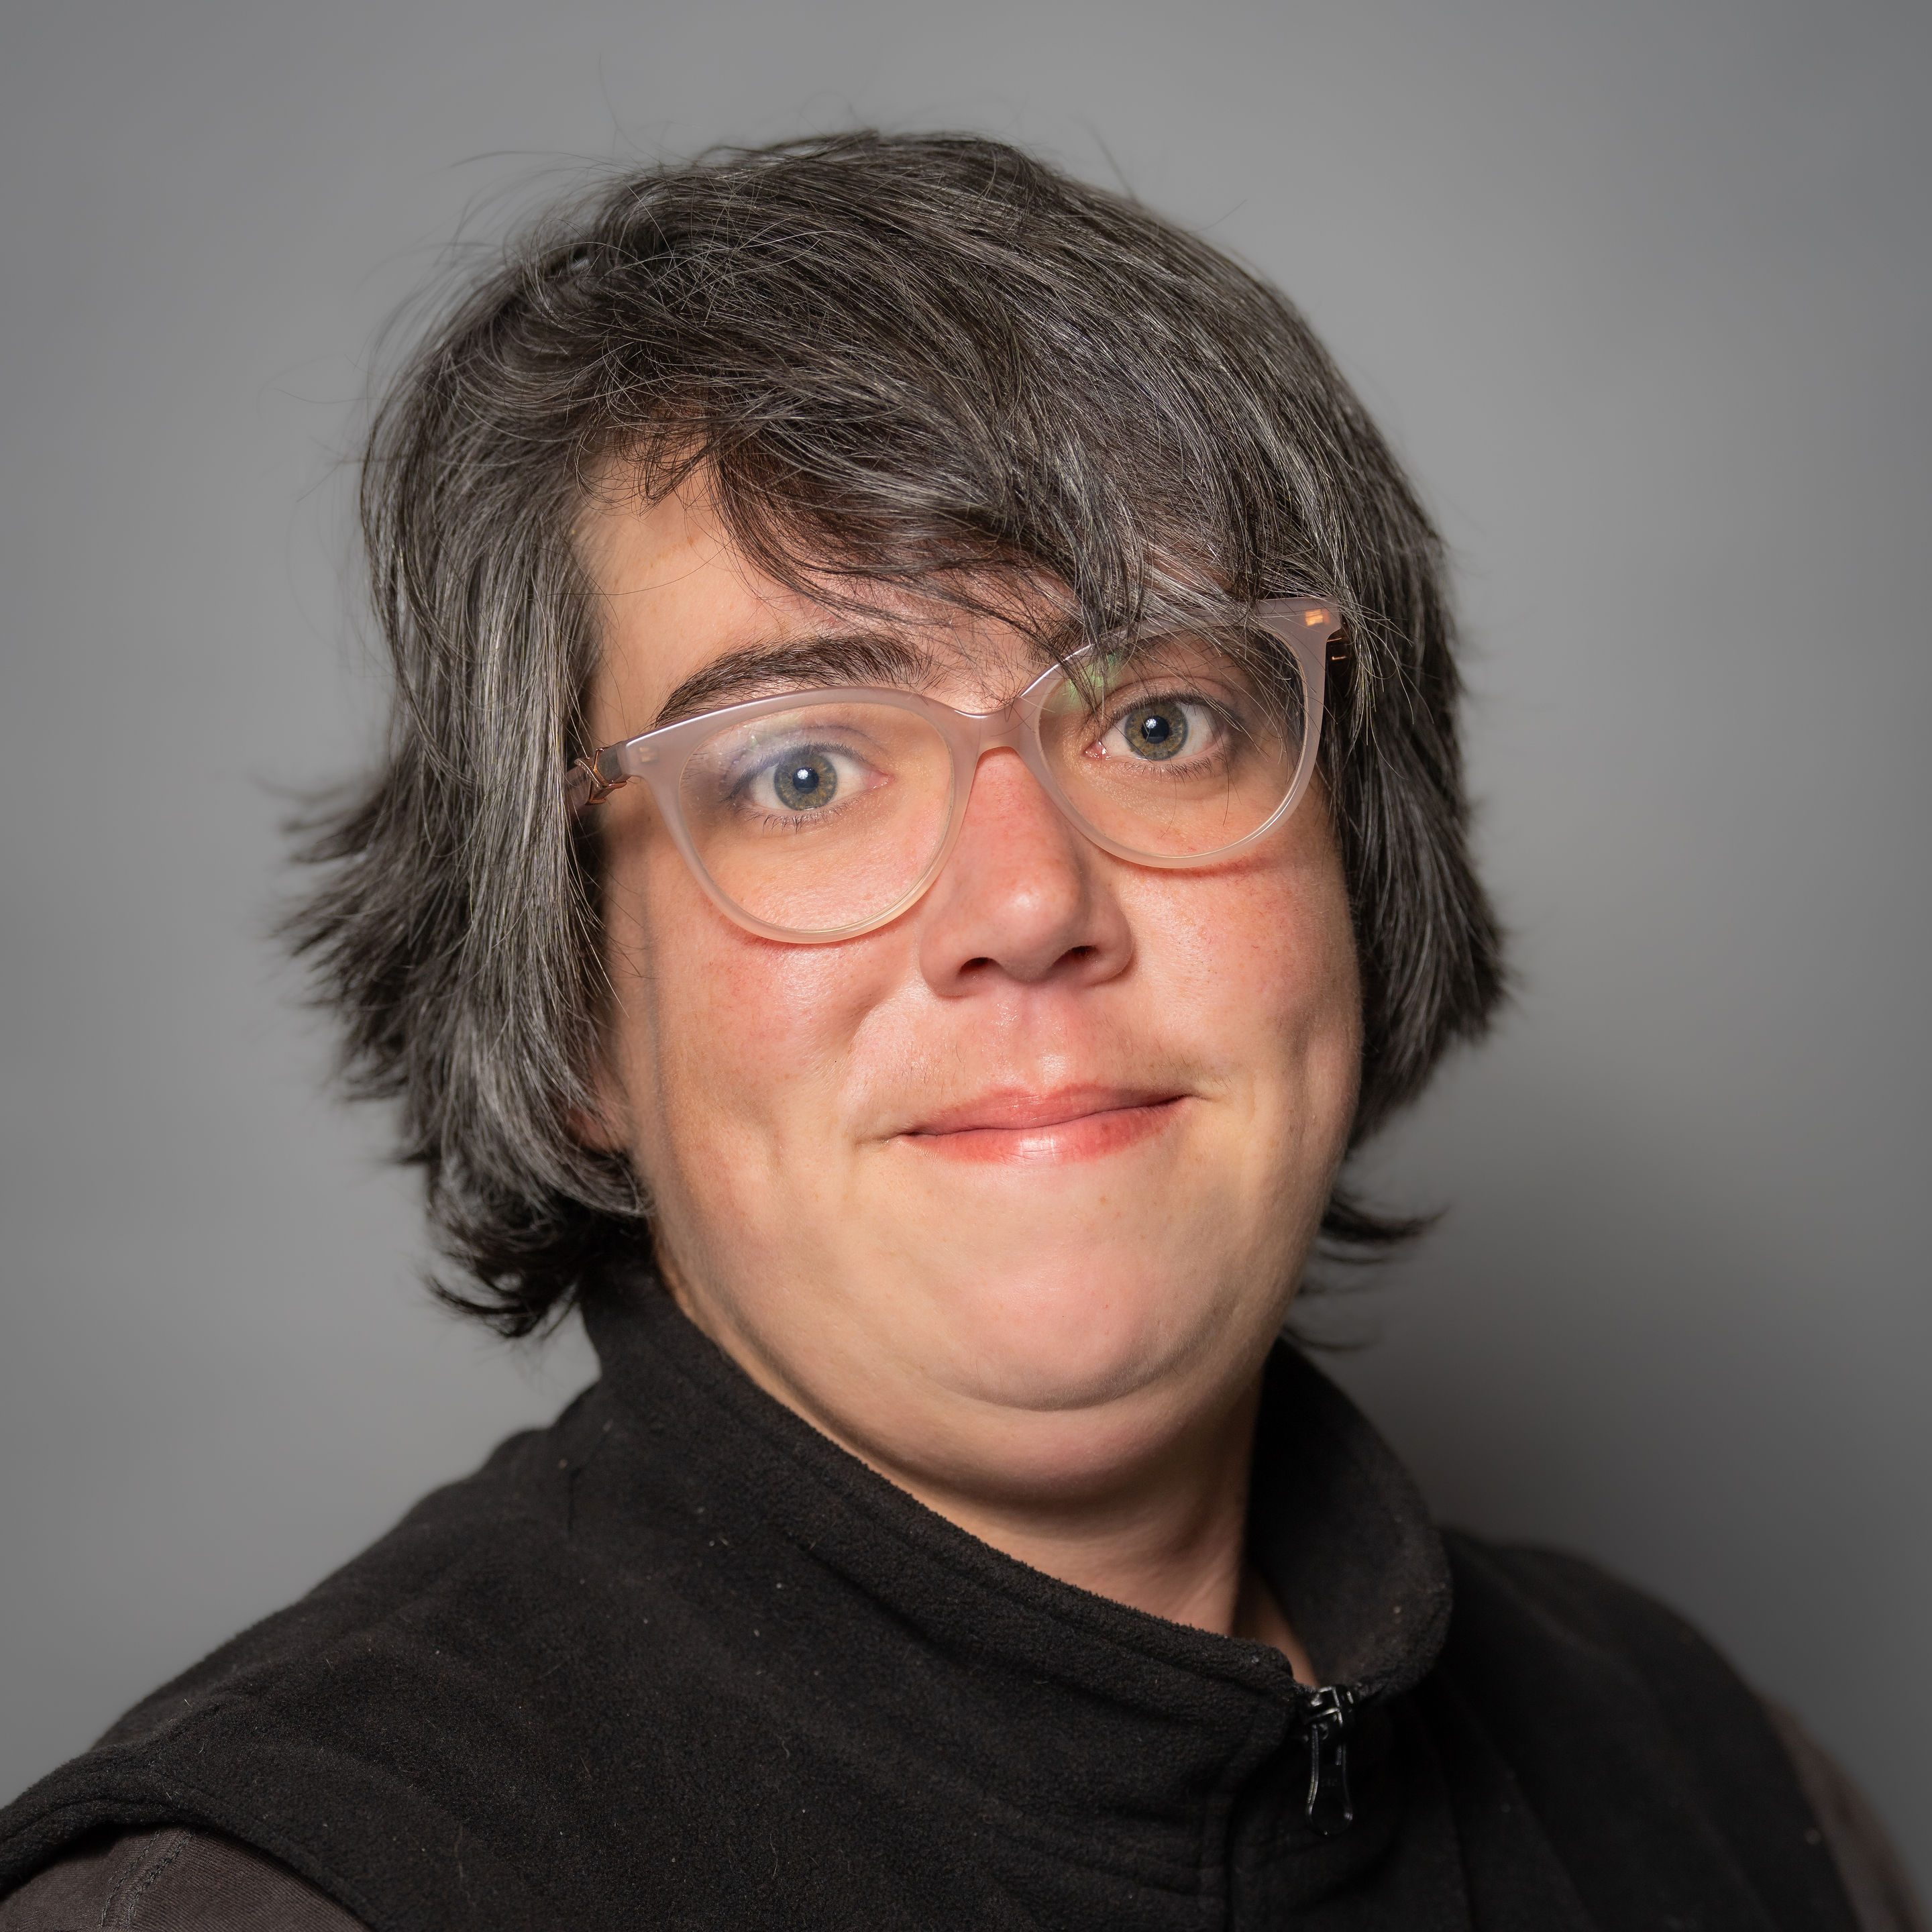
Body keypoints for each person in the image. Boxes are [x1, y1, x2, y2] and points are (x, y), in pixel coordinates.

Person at [0, 132, 1919, 1932]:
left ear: (1356, 861)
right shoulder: (275, 1898)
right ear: (573, 1007)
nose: (1027, 905)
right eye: (803, 771)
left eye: (1159, 720)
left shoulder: (1726, 1795)